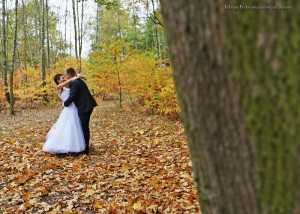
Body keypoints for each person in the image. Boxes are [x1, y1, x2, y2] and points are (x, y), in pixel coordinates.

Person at [43, 73, 86, 154]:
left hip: (74, 108)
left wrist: (78, 77)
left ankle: (73, 146)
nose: (64, 78)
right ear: (58, 80)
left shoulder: (66, 86)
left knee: (74, 127)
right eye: (62, 78)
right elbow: (68, 82)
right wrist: (73, 78)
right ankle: (63, 146)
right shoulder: (59, 87)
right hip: (68, 109)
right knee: (68, 127)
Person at [63, 67, 97, 155]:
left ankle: (85, 150)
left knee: (84, 128)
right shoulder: (78, 80)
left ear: (69, 75)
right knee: (84, 128)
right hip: (87, 105)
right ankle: (84, 147)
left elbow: (72, 96)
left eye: (66, 75)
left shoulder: (74, 82)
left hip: (85, 107)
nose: (65, 77)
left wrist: (65, 104)